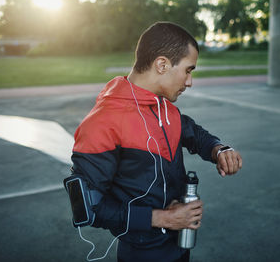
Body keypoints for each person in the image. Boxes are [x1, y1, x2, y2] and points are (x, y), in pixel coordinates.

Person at [71, 21, 242, 262]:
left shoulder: (165, 108)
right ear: (162, 64)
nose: (190, 81)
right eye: (188, 70)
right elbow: (89, 208)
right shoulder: (102, 122)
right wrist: (163, 218)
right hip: (141, 255)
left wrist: (218, 149)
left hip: (181, 247)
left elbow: (195, 134)